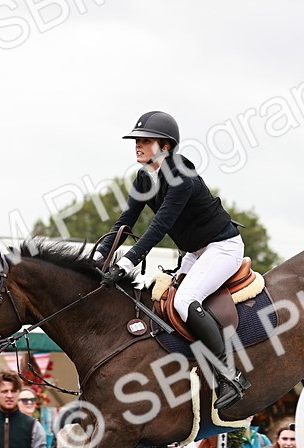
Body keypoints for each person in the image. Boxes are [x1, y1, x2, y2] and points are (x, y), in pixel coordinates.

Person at [94, 110, 248, 410]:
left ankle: (230, 376)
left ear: (165, 146)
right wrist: (101, 252)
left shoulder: (180, 175)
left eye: (145, 140)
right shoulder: (144, 178)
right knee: (161, 301)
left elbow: (160, 225)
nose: (137, 145)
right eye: (136, 140)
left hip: (223, 247)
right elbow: (127, 220)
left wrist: (128, 261)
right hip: (195, 251)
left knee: (184, 300)